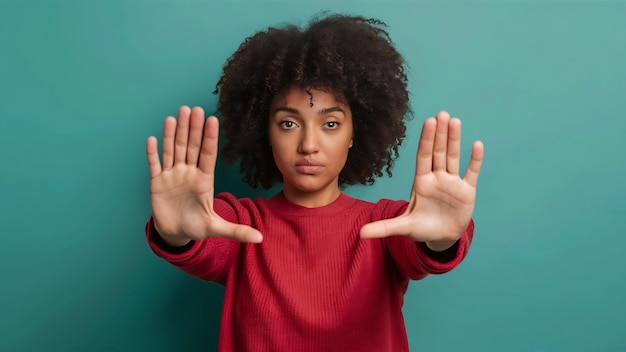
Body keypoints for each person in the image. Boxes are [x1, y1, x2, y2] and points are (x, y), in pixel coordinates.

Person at [144, 13, 484, 352]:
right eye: (289, 124)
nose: (309, 144)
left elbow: (420, 246)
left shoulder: (388, 226)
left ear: (356, 133)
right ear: (266, 134)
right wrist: (175, 234)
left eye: (331, 124)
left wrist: (441, 241)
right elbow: (202, 234)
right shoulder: (241, 225)